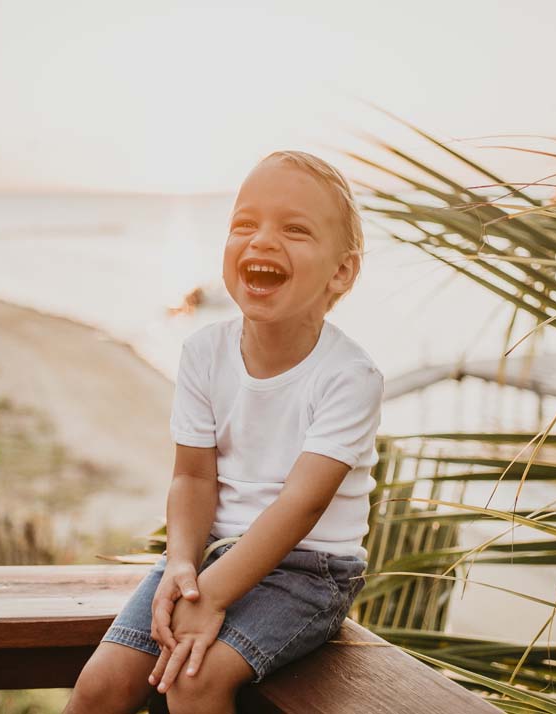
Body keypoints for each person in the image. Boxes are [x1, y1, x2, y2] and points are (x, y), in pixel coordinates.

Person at [62, 149, 384, 714]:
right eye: (245, 224)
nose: (262, 240)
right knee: (100, 685)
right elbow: (192, 478)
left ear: (341, 271)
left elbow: (301, 504)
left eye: (294, 229)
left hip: (309, 571)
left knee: (193, 681)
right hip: (208, 553)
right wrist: (183, 567)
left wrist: (210, 597)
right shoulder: (203, 352)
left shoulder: (349, 376)